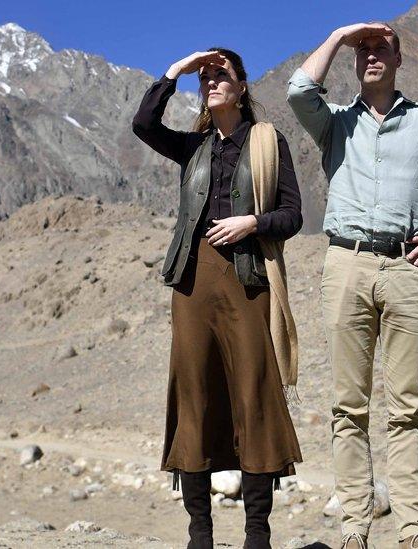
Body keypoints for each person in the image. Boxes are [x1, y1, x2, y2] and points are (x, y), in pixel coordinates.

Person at [286, 22, 418, 549]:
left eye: (381, 48)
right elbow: (297, 90)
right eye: (364, 50)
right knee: (347, 407)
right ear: (354, 63)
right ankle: (355, 529)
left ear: (400, 60)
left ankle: (411, 532)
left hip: (408, 268)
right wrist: (338, 35)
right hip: (346, 264)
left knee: (406, 407)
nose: (372, 56)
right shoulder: (333, 123)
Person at [133, 47, 304, 549]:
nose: (209, 81)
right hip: (192, 284)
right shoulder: (193, 147)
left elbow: (292, 215)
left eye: (219, 74)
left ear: (242, 87)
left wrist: (253, 222)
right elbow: (144, 124)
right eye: (203, 77)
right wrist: (175, 71)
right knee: (195, 400)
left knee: (253, 396)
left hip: (248, 281)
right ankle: (199, 535)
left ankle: (257, 535)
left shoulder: (269, 143)